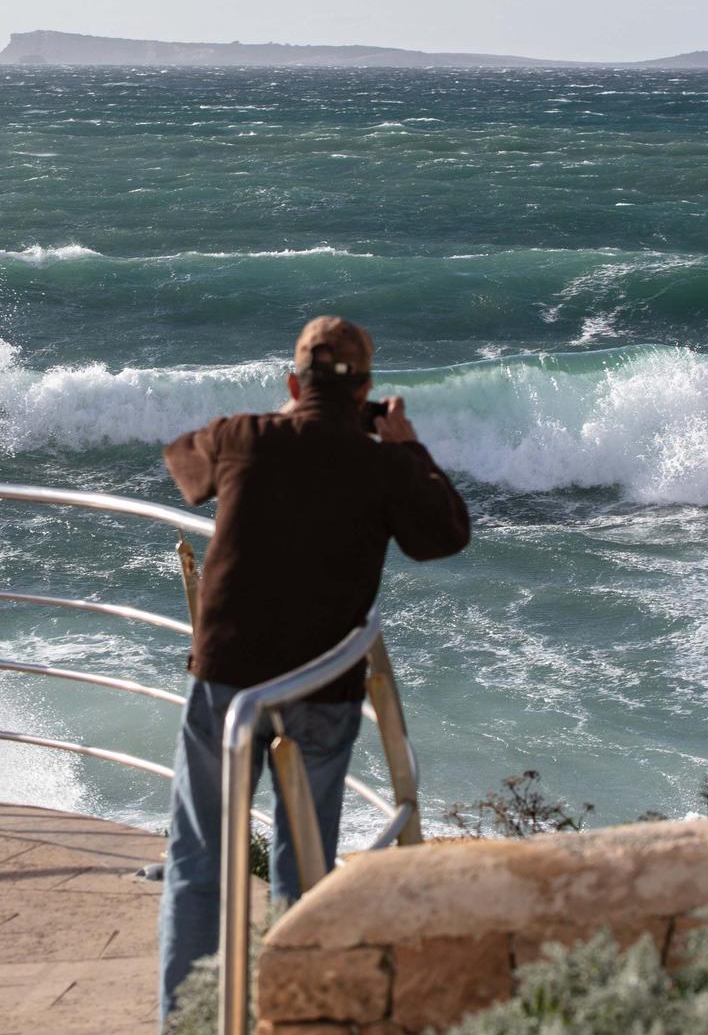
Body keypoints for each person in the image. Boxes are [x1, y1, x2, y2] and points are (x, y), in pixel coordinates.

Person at [156, 315, 470, 1021]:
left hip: (227, 680)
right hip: (322, 688)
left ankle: (186, 1021)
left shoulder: (246, 436)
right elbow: (446, 532)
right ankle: (292, 1017)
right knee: (304, 872)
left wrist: (279, 423)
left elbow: (183, 464)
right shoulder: (382, 463)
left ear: (293, 381)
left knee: (199, 863)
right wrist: (406, 444)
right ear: (367, 391)